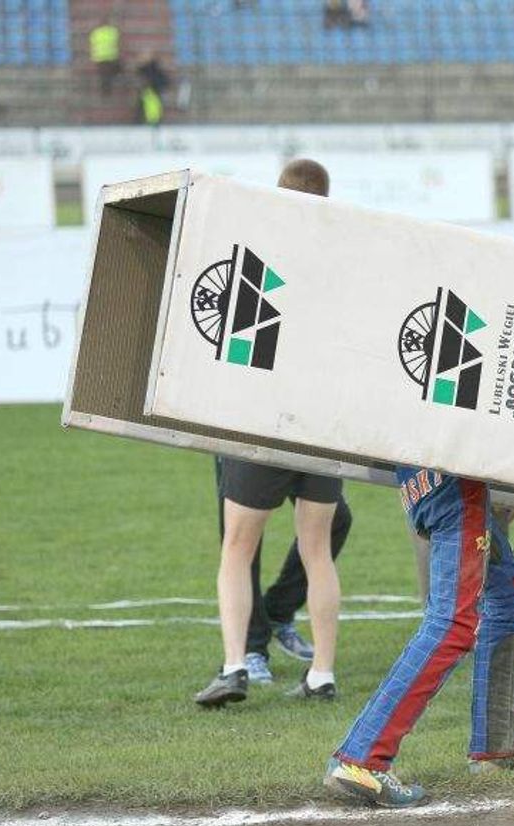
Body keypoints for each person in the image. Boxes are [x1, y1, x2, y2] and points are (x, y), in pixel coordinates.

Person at [195, 159, 347, 708]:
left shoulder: (253, 250)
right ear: (327, 198)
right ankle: (322, 674)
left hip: (264, 418)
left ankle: (237, 664)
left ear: (276, 195)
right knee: (317, 550)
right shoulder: (343, 259)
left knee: (237, 548)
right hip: (321, 425)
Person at [323, 471, 514, 808]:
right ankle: (361, 760)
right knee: (452, 623)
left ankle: (497, 747)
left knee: (511, 594)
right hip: (453, 483)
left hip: (440, 478)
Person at [209, 457, 353, 685]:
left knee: (239, 547)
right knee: (247, 545)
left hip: (285, 437)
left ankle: (237, 665)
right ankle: (253, 652)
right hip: (307, 438)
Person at [88, 17, 121, 98]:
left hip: (100, 57)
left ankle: (105, 91)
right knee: (107, 75)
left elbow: (92, 45)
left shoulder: (95, 32)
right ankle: (106, 91)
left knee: (104, 75)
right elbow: (119, 42)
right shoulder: (113, 31)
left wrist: (93, 57)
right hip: (111, 57)